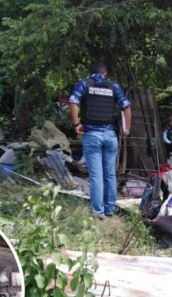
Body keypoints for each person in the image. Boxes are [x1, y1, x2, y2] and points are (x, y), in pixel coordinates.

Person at [68, 61, 132, 219]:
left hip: (92, 135)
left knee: (96, 176)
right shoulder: (113, 86)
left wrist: (76, 123)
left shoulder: (84, 83)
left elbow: (73, 101)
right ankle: (110, 209)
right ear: (105, 73)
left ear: (90, 73)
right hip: (110, 136)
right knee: (110, 175)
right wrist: (126, 129)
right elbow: (126, 107)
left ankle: (98, 212)